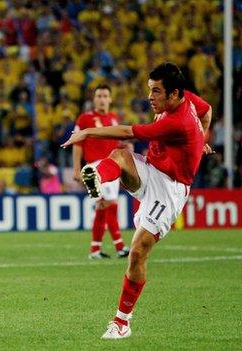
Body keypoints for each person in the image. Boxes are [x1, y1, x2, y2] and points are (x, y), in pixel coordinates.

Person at [61, 62, 213, 339]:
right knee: (120, 155)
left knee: (137, 252)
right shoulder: (188, 99)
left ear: (174, 94)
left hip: (170, 189)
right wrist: (201, 139)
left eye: (156, 92)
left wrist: (86, 132)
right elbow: (208, 110)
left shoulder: (176, 121)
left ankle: (122, 322)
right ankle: (97, 173)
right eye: (149, 90)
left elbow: (129, 131)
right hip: (152, 169)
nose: (150, 97)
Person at [72, 84, 129, 259]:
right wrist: (76, 169)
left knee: (103, 207)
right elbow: (77, 144)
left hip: (112, 166)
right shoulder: (85, 118)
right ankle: (119, 247)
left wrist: (125, 146)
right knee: (110, 205)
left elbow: (114, 143)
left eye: (105, 96)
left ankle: (95, 250)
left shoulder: (113, 118)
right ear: (94, 99)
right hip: (96, 167)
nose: (102, 99)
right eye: (99, 96)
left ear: (110, 99)